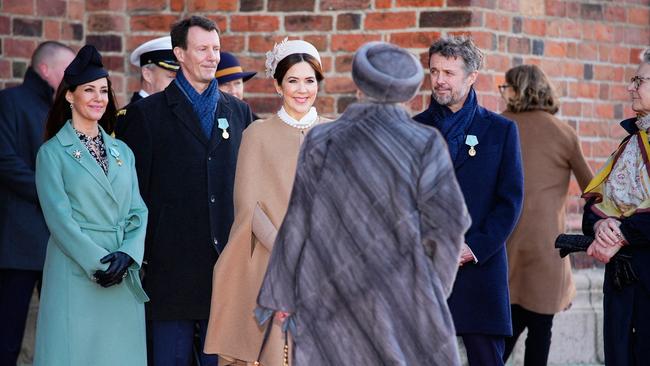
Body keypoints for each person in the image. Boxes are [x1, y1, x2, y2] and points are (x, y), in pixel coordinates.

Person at [257, 41, 471, 365]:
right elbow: (449, 226)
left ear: (359, 85)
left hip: (328, 294)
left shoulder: (323, 139)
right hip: (399, 296)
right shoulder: (424, 143)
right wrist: (429, 289)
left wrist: (281, 294)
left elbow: (297, 220)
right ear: (407, 92)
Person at [118, 16, 254, 366]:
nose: (212, 57)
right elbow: (133, 197)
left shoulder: (240, 113)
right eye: (202, 49)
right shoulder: (145, 116)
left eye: (216, 49)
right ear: (180, 53)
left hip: (224, 274)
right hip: (169, 274)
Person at [204, 39, 328, 366]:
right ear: (277, 85)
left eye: (309, 81)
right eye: (293, 80)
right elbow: (248, 207)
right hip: (271, 265)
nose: (302, 90)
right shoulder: (258, 134)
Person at [33, 44, 149, 366]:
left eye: (104, 91)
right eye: (90, 90)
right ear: (70, 96)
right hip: (78, 271)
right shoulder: (52, 154)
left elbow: (138, 211)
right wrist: (99, 263)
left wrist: (129, 253)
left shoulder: (122, 152)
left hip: (121, 269)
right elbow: (59, 221)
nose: (100, 98)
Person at [413, 36, 524, 366]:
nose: (440, 80)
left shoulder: (501, 131)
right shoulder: (414, 129)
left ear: (472, 76)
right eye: (434, 71)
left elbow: (510, 201)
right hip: (427, 269)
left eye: (449, 72)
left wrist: (473, 248)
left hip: (479, 268)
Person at [500, 64, 593, 365]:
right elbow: (592, 189)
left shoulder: (498, 126)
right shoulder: (564, 133)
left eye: (506, 87)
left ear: (520, 90)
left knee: (502, 337)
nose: (502, 93)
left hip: (505, 247)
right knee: (541, 332)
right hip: (547, 250)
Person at [0, 41, 74, 365]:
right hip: (16, 243)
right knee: (7, 337)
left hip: (58, 242)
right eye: (66, 72)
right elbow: (4, 161)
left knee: (61, 335)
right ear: (45, 70)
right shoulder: (9, 102)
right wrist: (52, 191)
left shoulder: (64, 111)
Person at [581, 48, 650, 365]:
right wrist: (599, 226)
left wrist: (622, 233)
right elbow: (597, 206)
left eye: (639, 80)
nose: (630, 87)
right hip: (623, 282)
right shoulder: (631, 142)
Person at [114, 36, 179, 136]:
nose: (177, 84)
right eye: (171, 77)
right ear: (147, 74)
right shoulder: (132, 116)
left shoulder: (176, 112)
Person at [216, 51, 260, 120]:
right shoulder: (206, 121)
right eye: (225, 84)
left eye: (237, 83)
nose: (233, 91)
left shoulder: (255, 123)